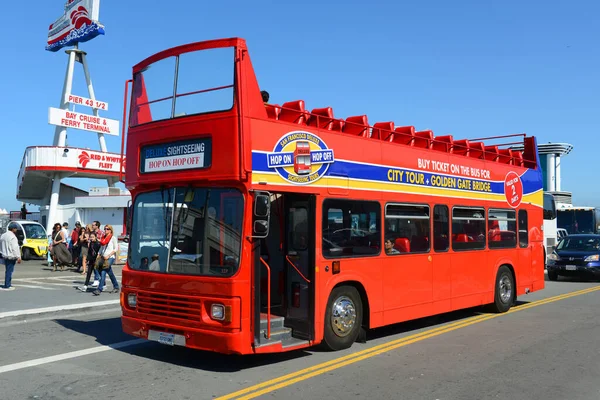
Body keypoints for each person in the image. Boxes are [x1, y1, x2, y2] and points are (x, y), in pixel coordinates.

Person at [0, 222, 22, 290]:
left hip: (4, 255)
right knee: (10, 270)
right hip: (11, 255)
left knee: (7, 270)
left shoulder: (3, 235)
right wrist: (18, 256)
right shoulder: (13, 237)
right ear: (13, 229)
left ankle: (7, 283)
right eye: (15, 228)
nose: (16, 230)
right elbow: (15, 247)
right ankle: (7, 284)